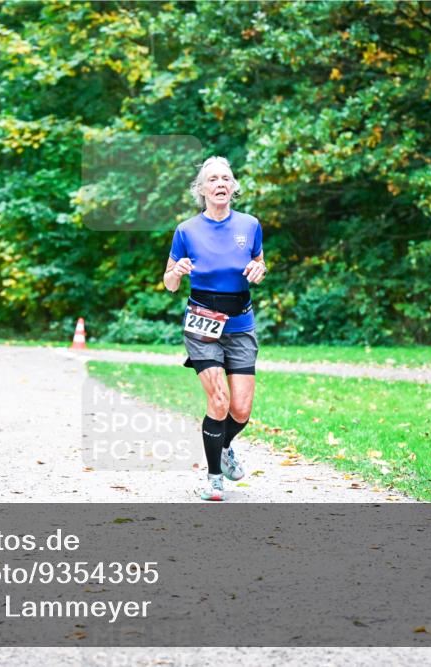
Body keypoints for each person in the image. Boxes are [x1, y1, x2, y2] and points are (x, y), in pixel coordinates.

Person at [163, 156, 266, 501]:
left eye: (226, 178)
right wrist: (176, 272)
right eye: (213, 179)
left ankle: (223, 446)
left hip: (241, 323)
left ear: (233, 187)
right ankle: (213, 480)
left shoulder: (250, 225)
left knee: (241, 410)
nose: (220, 183)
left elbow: (259, 263)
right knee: (219, 401)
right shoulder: (186, 231)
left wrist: (259, 270)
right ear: (202, 189)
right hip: (202, 324)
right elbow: (169, 284)